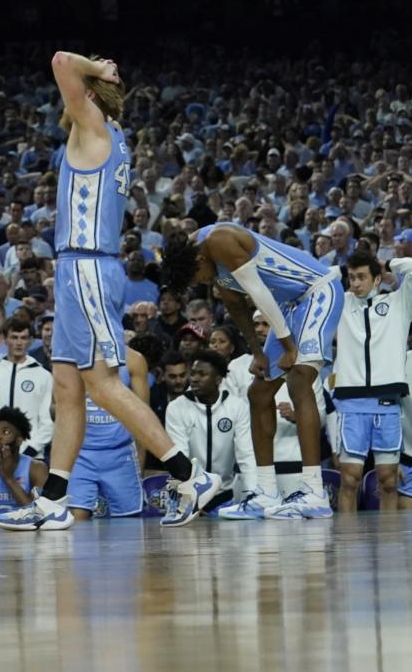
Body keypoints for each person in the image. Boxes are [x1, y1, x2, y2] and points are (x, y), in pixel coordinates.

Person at [0, 54, 219, 532]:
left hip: (90, 267)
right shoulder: (107, 135)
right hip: (76, 268)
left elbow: (58, 61)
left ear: (90, 95)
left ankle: (188, 476)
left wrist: (94, 65)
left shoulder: (94, 126)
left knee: (102, 384)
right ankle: (55, 498)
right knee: (67, 386)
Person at [159, 218, 344, 519]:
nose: (203, 282)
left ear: (201, 260)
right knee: (259, 393)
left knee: (299, 380)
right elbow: (236, 306)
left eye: (200, 276)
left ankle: (315, 493)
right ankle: (266, 492)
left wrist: (288, 347)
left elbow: (259, 295)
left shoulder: (220, 241)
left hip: (317, 291)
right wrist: (257, 352)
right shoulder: (207, 262)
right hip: (288, 306)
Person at [328, 252, 412, 514]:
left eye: (362, 277)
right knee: (349, 477)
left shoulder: (399, 303)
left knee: (388, 480)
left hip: (387, 402)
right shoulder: (341, 305)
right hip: (351, 402)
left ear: (377, 280)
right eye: (351, 277)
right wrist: (337, 274)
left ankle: (390, 550)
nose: (355, 283)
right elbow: (319, 280)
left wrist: (389, 266)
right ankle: (347, 546)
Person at [68, 345, 152, 521]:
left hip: (121, 454)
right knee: (76, 522)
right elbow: (55, 407)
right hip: (81, 453)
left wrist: (140, 468)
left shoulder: (133, 359)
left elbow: (143, 420)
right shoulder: (70, 356)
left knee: (129, 527)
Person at [164, 353, 255, 513]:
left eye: (202, 374)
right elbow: (179, 453)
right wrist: (187, 493)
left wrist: (253, 493)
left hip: (224, 497)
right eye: (192, 373)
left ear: (218, 380)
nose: (194, 379)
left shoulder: (237, 406)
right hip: (187, 496)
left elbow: (246, 454)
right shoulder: (176, 407)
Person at [0, 320, 53, 456]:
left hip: (30, 455)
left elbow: (48, 420)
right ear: (5, 339)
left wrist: (32, 449)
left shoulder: (44, 376)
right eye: (14, 337)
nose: (19, 343)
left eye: (24, 338)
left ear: (31, 341)